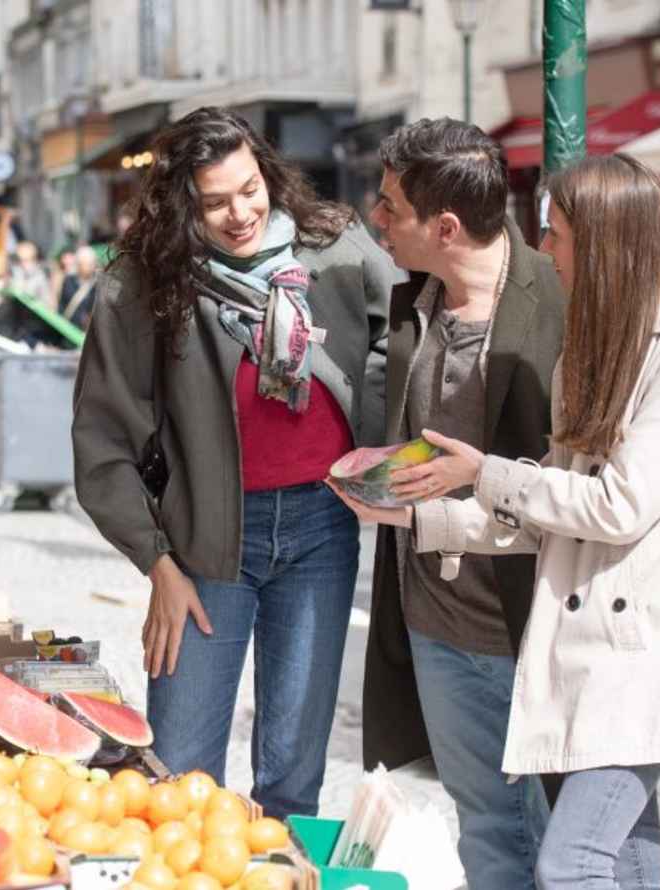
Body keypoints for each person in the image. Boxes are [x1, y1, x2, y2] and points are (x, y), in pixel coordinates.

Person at [338, 152, 660, 890]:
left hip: (643, 645)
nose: (546, 250)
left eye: (556, 234)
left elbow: (618, 505)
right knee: (628, 851)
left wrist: (485, 472)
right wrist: (416, 517)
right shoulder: (590, 349)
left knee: (572, 861)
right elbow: (546, 517)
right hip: (585, 648)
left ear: (605, 241)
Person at [72, 107, 400, 819]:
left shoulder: (332, 246)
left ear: (269, 174)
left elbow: (401, 328)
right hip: (203, 549)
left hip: (322, 530)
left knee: (293, 775)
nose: (240, 213)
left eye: (250, 189)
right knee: (180, 774)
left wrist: (369, 437)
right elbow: (102, 441)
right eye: (215, 200)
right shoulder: (143, 283)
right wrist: (158, 562)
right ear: (182, 199)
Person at [362, 117, 566, 889]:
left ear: (445, 226)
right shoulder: (414, 299)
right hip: (434, 624)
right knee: (484, 824)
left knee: (565, 844)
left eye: (390, 207)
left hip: (530, 624)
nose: (376, 220)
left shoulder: (558, 299)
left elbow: (579, 481)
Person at [61, 245, 100, 329]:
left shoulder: (97, 284)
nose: (89, 267)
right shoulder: (69, 280)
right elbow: (62, 303)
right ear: (78, 264)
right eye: (86, 264)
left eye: (91, 264)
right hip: (67, 325)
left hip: (83, 330)